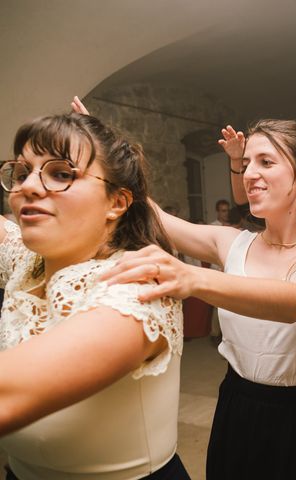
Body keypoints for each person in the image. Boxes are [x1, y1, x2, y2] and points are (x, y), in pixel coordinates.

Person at [101, 119, 296, 480]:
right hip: (238, 407)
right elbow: (154, 217)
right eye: (247, 163)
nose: (249, 174)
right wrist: (105, 154)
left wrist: (194, 277)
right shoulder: (232, 242)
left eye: (266, 162)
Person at [0, 112, 189, 479]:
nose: (29, 187)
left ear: (117, 202)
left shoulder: (140, 285)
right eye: (22, 173)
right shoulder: (27, 261)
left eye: (61, 174)